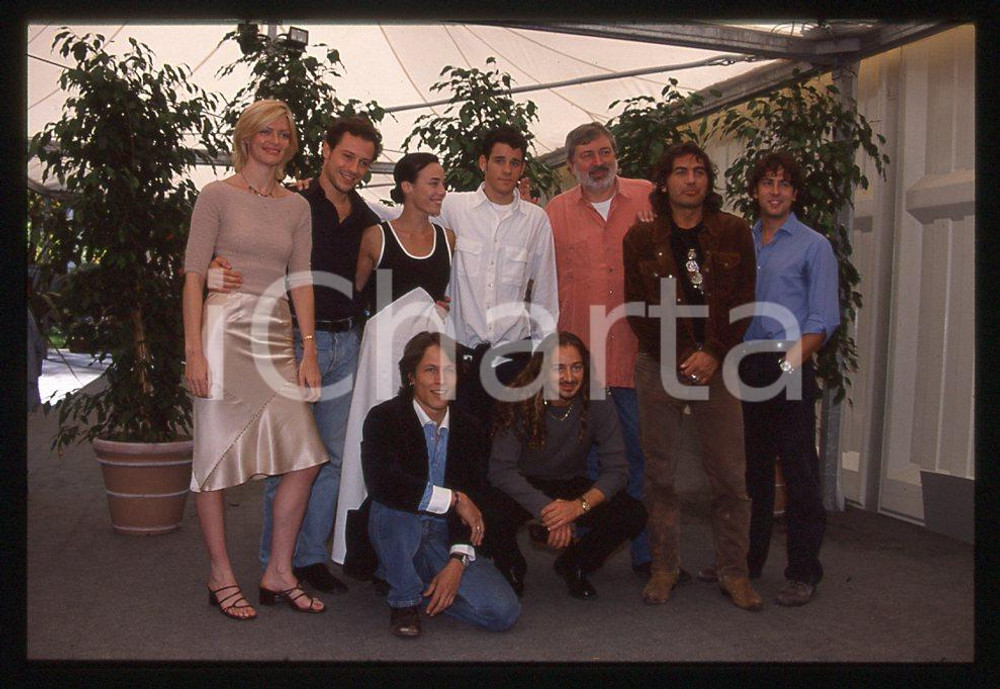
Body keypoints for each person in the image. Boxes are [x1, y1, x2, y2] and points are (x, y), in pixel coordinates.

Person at [209, 116, 384, 595]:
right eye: (346, 156)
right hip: (291, 343)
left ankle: (306, 559)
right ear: (325, 150)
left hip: (346, 344)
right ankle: (275, 561)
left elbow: (386, 266)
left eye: (364, 162)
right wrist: (213, 272)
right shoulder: (292, 202)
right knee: (288, 457)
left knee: (330, 458)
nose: (353, 168)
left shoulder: (368, 217)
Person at [183, 99, 328, 619]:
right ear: (246, 137)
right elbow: (195, 274)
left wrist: (307, 350)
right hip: (223, 332)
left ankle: (278, 572)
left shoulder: (297, 206)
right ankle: (220, 573)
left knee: (307, 458)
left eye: (283, 134)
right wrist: (194, 351)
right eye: (265, 131)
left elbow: (302, 280)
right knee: (214, 461)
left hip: (274, 336)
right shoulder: (215, 196)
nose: (274, 140)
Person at [623, 141, 762, 611]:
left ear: (708, 180)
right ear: (664, 182)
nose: (691, 179)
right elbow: (637, 309)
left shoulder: (734, 232)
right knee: (661, 475)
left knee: (730, 476)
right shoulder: (640, 239)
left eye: (699, 171)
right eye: (681, 172)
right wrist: (684, 354)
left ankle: (734, 573)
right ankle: (664, 568)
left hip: (720, 366)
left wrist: (713, 353)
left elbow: (745, 301)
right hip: (659, 364)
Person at [366, 126, 559, 426]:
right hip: (461, 357)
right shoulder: (455, 206)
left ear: (523, 167)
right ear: (483, 163)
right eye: (499, 160)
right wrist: (341, 193)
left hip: (514, 358)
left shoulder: (536, 221)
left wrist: (545, 361)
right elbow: (401, 214)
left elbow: (546, 293)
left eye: (515, 162)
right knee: (465, 442)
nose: (507, 170)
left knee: (512, 443)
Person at [543, 122, 659, 580]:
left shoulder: (649, 197)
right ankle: (585, 555)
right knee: (585, 466)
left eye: (605, 152)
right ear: (572, 165)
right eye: (587, 155)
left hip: (635, 358)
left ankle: (646, 555)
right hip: (580, 365)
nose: (598, 162)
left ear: (617, 155)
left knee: (639, 458)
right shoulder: (554, 213)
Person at [361, 331, 521, 638]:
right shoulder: (384, 418)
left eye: (448, 370)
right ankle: (405, 600)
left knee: (503, 612)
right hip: (396, 525)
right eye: (430, 370)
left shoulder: (470, 427)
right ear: (411, 377)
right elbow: (382, 483)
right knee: (396, 504)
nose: (440, 380)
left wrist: (458, 561)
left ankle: (415, 579)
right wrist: (453, 499)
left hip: (444, 534)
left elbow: (475, 496)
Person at [737, 150, 839, 606]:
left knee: (798, 476)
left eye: (783, 184)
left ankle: (803, 571)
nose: (775, 191)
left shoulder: (814, 245)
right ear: (755, 190)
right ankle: (748, 562)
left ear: (795, 193)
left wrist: (785, 367)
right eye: (767, 183)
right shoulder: (745, 239)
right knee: (752, 475)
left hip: (790, 364)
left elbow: (822, 321)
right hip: (746, 366)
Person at [483, 331, 647, 600]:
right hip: (523, 483)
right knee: (488, 510)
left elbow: (617, 470)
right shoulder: (518, 399)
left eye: (576, 367)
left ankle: (575, 563)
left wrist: (575, 507)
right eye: (559, 368)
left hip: (570, 482)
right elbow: (501, 471)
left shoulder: (598, 400)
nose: (569, 377)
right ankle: (511, 565)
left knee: (633, 513)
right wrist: (550, 512)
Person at [355, 152, 454, 311]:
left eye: (444, 184)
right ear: (407, 187)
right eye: (434, 183)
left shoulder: (447, 239)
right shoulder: (377, 238)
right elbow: (356, 293)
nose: (442, 191)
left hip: (432, 334)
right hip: (384, 334)